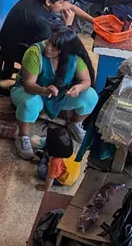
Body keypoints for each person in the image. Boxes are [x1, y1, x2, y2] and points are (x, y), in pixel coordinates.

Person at [0, 0, 92, 96]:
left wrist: (94, 21)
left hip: (14, 37)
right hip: (14, 48)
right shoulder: (38, 20)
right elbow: (58, 43)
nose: (65, 5)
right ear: (49, 2)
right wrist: (68, 26)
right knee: (59, 54)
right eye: (61, 3)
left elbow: (71, 7)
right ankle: (48, 89)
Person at [11, 27, 98, 158]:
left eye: (55, 48)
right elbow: (29, 85)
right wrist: (44, 90)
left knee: (90, 96)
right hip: (30, 92)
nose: (49, 48)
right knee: (31, 103)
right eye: (49, 43)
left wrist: (78, 88)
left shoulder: (74, 58)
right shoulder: (34, 52)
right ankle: (23, 137)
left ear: (66, 52)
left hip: (59, 96)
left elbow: (86, 80)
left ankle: (74, 123)